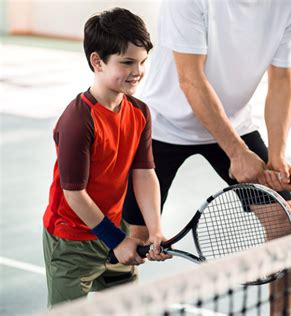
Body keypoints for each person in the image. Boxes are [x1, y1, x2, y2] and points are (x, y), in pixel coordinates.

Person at [123, 0, 291, 313]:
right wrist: (237, 152)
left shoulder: (287, 3)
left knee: (284, 223)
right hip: (163, 124)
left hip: (233, 121)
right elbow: (190, 78)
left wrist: (277, 155)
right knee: (133, 238)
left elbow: (282, 80)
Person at [42, 7, 170, 307]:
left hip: (115, 230)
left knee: (127, 308)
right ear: (97, 61)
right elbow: (74, 194)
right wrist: (116, 240)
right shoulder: (78, 121)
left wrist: (155, 230)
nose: (137, 71)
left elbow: (144, 172)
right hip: (72, 241)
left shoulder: (139, 112)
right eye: (127, 62)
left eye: (142, 62)